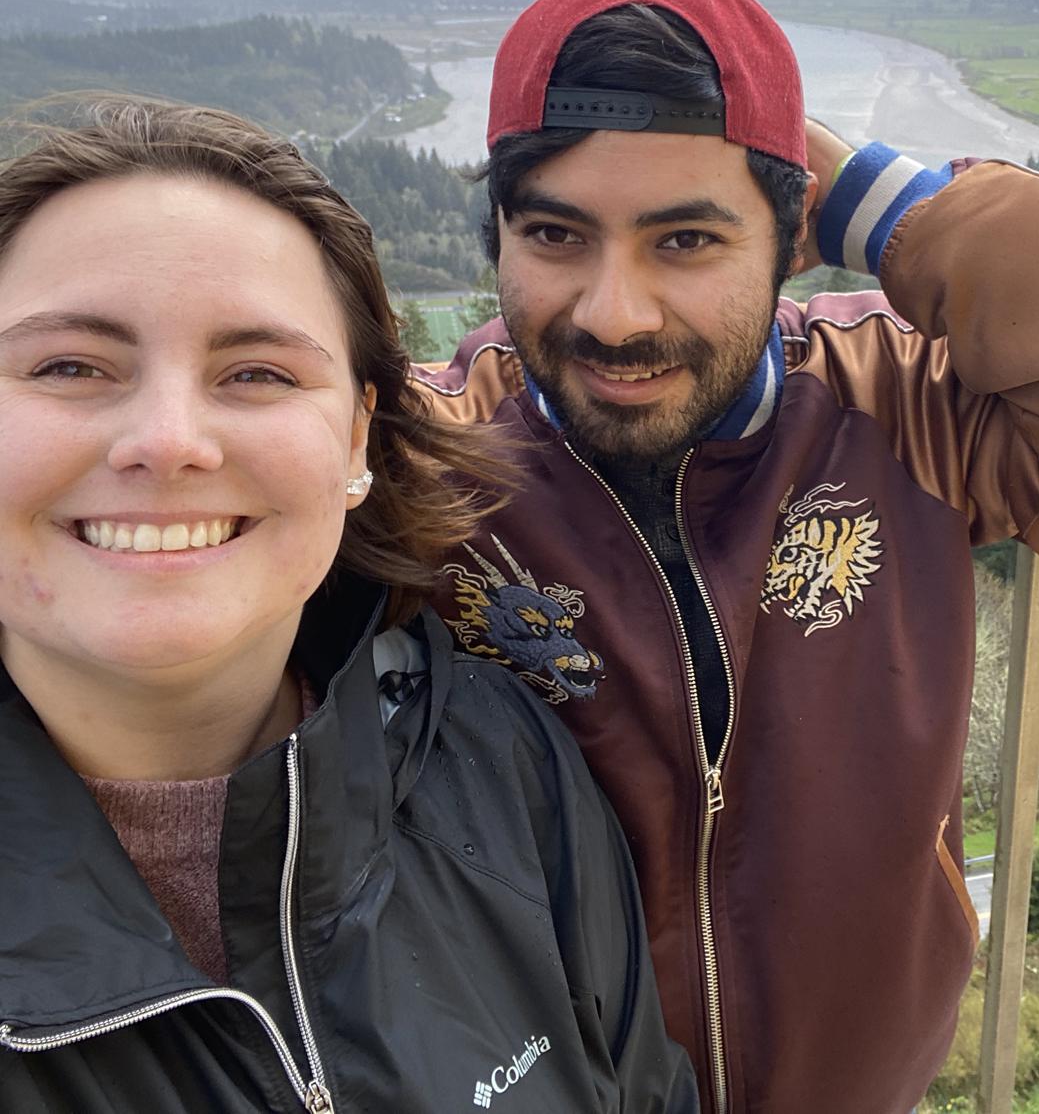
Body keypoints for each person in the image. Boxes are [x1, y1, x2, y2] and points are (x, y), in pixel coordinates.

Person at [415, 0, 1039, 1114]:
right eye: (555, 235)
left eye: (687, 240)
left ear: (793, 239)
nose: (613, 313)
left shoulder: (896, 401)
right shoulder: (447, 455)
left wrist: (874, 197)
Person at [0, 99, 698, 1114]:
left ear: (358, 440)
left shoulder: (492, 759)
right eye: (69, 366)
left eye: (257, 372)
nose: (166, 439)